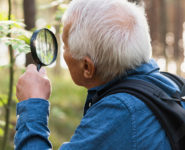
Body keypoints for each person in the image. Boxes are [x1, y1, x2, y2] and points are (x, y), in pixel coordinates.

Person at [15, 0, 183, 149]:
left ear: (87, 67)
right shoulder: (170, 84)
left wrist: (32, 105)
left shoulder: (119, 112)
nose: (63, 52)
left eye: (65, 46)